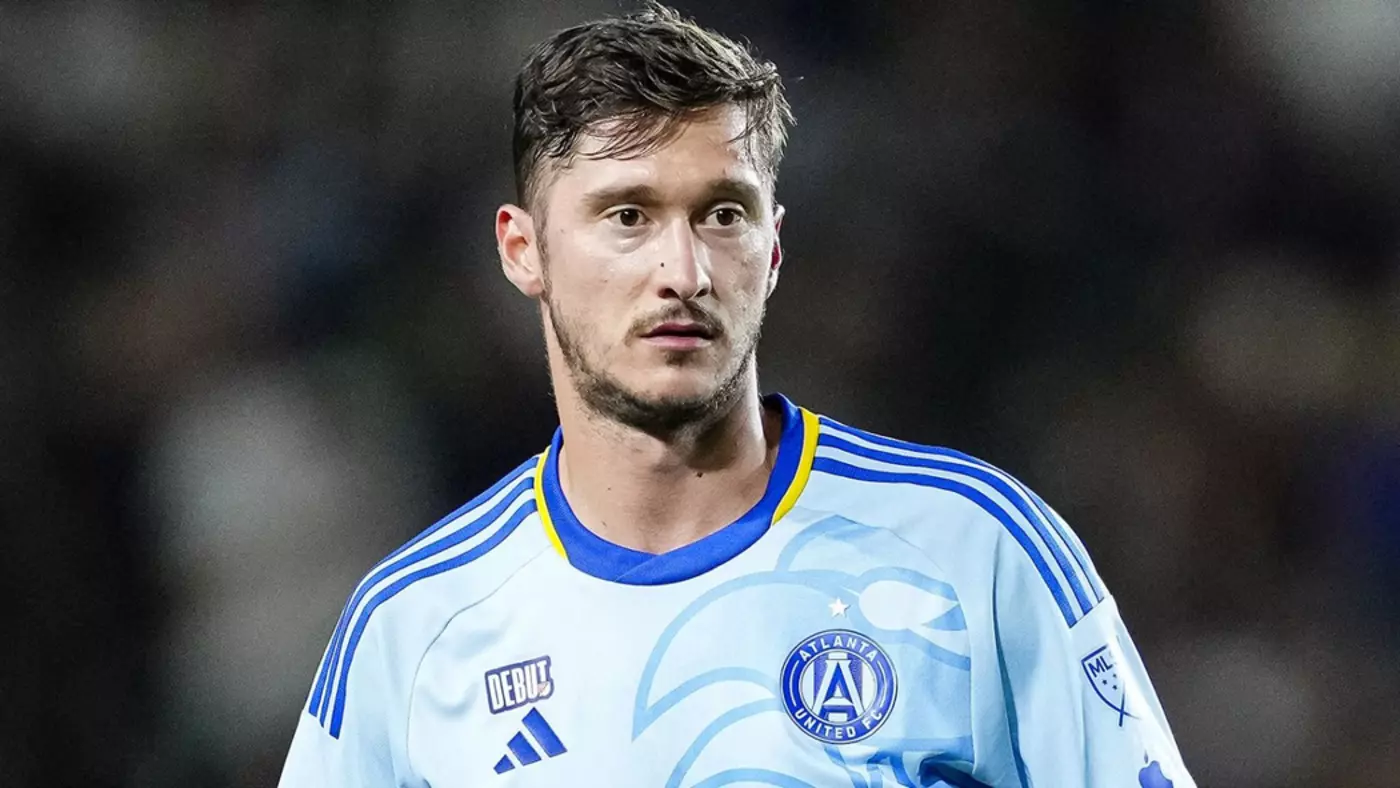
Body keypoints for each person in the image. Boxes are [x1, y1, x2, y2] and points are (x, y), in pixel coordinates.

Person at [278, 3, 1195, 786]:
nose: (683, 271)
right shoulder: (416, 630)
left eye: (722, 214)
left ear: (774, 246)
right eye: (628, 216)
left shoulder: (971, 550)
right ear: (524, 251)